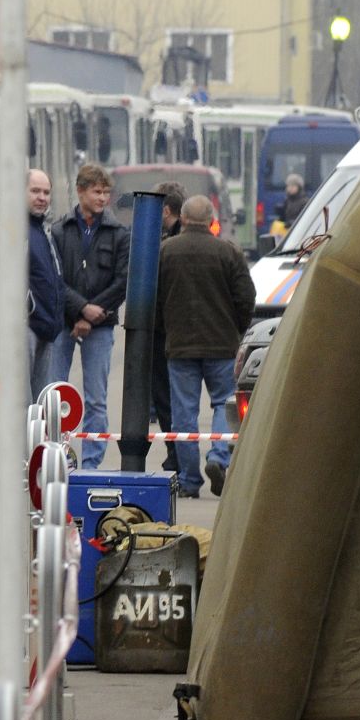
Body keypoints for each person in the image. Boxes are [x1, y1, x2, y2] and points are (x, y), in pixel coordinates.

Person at [157, 192, 256, 499]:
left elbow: (154, 298)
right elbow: (246, 296)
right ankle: (218, 457)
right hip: (221, 343)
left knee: (183, 415)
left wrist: (167, 329)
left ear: (183, 219)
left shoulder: (165, 251)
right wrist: (236, 329)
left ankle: (189, 481)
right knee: (222, 403)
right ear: (212, 220)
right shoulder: (228, 252)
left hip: (181, 345)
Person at [49, 163, 129, 470]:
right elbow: (54, 278)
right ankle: (56, 456)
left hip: (101, 323)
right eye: (97, 191)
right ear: (80, 190)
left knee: (96, 398)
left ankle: (92, 464)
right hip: (64, 322)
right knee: (56, 394)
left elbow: (122, 281)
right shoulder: (59, 229)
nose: (103, 198)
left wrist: (93, 313)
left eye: (107, 192)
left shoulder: (117, 233)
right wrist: (81, 308)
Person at [150, 183, 186, 474]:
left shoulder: (164, 245)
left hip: (165, 331)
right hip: (187, 331)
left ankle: (177, 457)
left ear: (165, 210)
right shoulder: (191, 236)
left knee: (167, 399)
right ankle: (182, 458)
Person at [26, 167, 64, 402]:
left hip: (46, 326)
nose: (42, 198)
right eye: (35, 191)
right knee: (24, 402)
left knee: (39, 403)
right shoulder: (15, 230)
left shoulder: (43, 229)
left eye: (46, 192)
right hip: (27, 326)